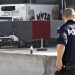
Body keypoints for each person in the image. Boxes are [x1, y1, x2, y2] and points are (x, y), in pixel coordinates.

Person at [55, 8, 75, 75]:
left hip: (68, 70)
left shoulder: (63, 29)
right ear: (74, 16)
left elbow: (61, 45)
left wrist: (58, 60)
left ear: (63, 17)